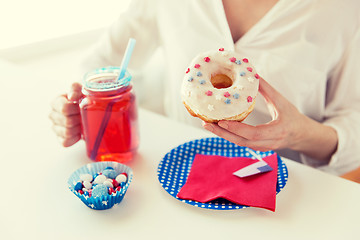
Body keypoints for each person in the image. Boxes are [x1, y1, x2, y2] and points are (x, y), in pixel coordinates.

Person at [49, 0, 360, 178]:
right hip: (177, 175)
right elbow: (100, 62)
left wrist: (300, 133)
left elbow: (353, 123)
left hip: (288, 192)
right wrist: (73, 104)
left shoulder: (342, 11)